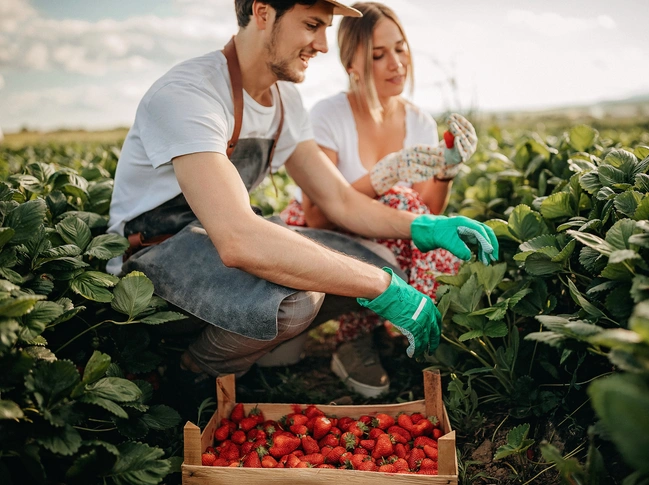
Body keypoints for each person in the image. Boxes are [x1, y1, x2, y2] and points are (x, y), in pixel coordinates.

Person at [106, 0, 498, 398]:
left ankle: (239, 341)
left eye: (326, 28)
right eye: (312, 25)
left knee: (378, 259)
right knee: (297, 297)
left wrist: (422, 226)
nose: (324, 45)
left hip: (207, 246)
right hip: (152, 259)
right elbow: (238, 237)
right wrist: (383, 288)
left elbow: (339, 201)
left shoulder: (284, 101)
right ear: (262, 13)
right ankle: (190, 373)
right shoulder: (191, 93)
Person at [280, 2, 471, 397]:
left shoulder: (417, 120)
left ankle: (408, 330)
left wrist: (444, 170)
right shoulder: (328, 115)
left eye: (400, 49)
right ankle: (354, 339)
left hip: (386, 234)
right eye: (379, 55)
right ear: (352, 65)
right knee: (399, 202)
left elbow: (428, 214)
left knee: (414, 215)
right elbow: (317, 216)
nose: (396, 63)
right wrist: (384, 176)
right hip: (326, 234)